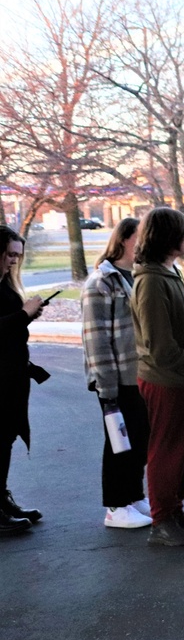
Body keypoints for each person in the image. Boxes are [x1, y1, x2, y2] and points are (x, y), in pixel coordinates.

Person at [131, 207, 184, 547]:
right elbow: (160, 346)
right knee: (167, 450)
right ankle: (161, 521)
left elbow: (181, 327)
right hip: (167, 381)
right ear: (169, 237)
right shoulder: (149, 281)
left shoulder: (169, 273)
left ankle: (175, 511)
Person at [81, 218, 153, 529]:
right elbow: (96, 337)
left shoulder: (140, 275)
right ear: (124, 238)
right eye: (140, 236)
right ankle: (116, 505)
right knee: (118, 442)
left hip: (140, 374)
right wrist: (106, 386)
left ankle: (134, 496)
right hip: (116, 377)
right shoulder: (101, 282)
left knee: (139, 439)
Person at [0, 226, 45, 536]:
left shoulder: (4, 285)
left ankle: (2, 500)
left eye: (18, 255)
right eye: (9, 254)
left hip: (13, 375)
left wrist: (28, 314)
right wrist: (23, 314)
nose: (14, 261)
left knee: (6, 439)